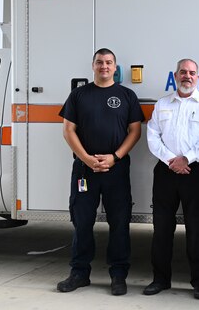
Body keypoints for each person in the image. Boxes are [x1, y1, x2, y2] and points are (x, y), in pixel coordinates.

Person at [56, 48, 145, 296]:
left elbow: (135, 132)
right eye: (99, 62)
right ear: (92, 66)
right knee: (82, 222)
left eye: (108, 62)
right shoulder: (79, 95)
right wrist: (86, 158)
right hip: (85, 169)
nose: (104, 66)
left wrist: (114, 157)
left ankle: (118, 275)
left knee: (119, 223)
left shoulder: (127, 95)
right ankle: (79, 273)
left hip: (116, 169)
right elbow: (68, 130)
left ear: (116, 68)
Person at [144, 58, 199, 300]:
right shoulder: (163, 104)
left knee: (196, 229)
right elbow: (153, 136)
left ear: (198, 77)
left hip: (194, 171)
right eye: (183, 72)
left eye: (192, 73)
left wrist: (186, 159)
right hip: (166, 171)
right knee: (162, 228)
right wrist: (171, 160)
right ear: (175, 76)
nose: (187, 76)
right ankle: (160, 279)